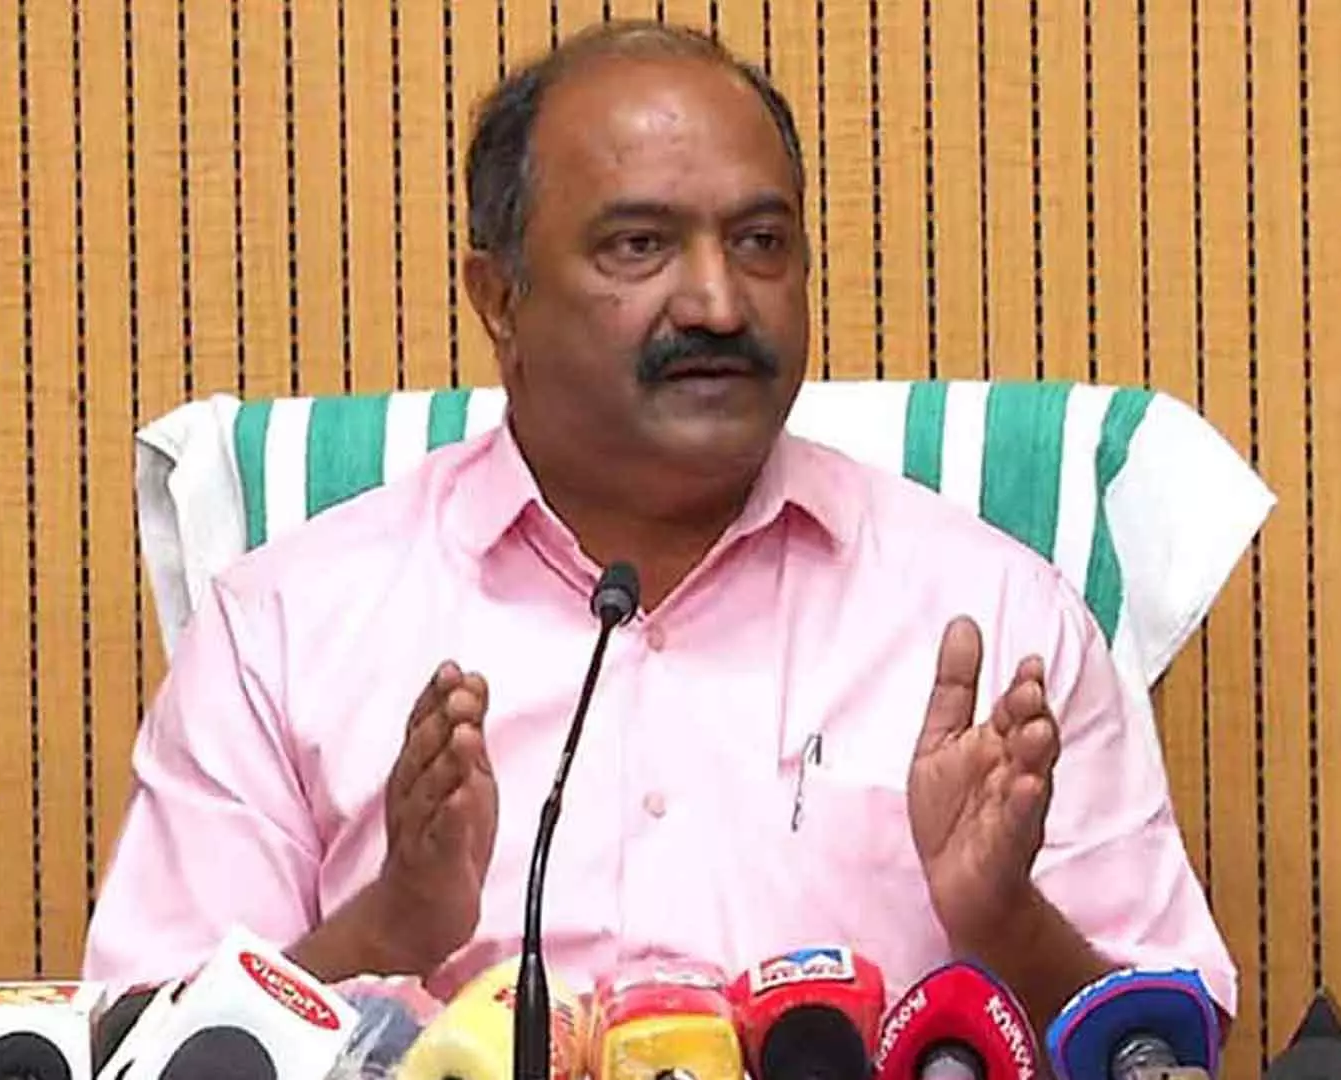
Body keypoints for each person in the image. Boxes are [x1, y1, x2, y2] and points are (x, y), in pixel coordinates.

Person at [82, 19, 1236, 1036]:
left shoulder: (995, 620)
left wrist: (1004, 921)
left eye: (761, 241)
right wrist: (388, 927)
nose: (719, 303)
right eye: (638, 246)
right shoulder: (288, 628)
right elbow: (141, 1055)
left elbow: (1171, 1048)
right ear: (499, 298)